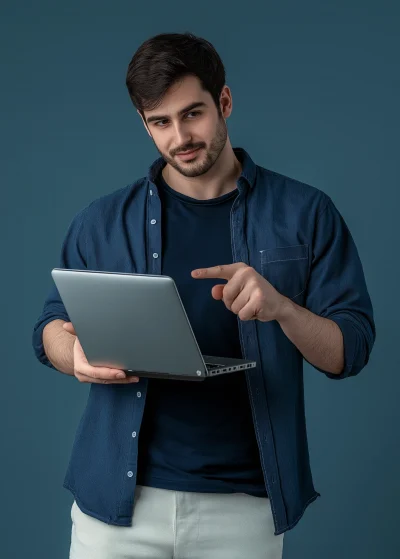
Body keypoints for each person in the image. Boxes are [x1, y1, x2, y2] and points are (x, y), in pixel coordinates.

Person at [32, 32, 375, 559]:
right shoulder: (101, 222)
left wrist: (282, 308)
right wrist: (71, 353)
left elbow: (350, 349)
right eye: (160, 123)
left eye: (193, 114)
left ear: (225, 102)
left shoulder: (307, 212)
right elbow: (51, 327)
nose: (180, 137)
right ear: (144, 124)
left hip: (245, 507)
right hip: (116, 509)